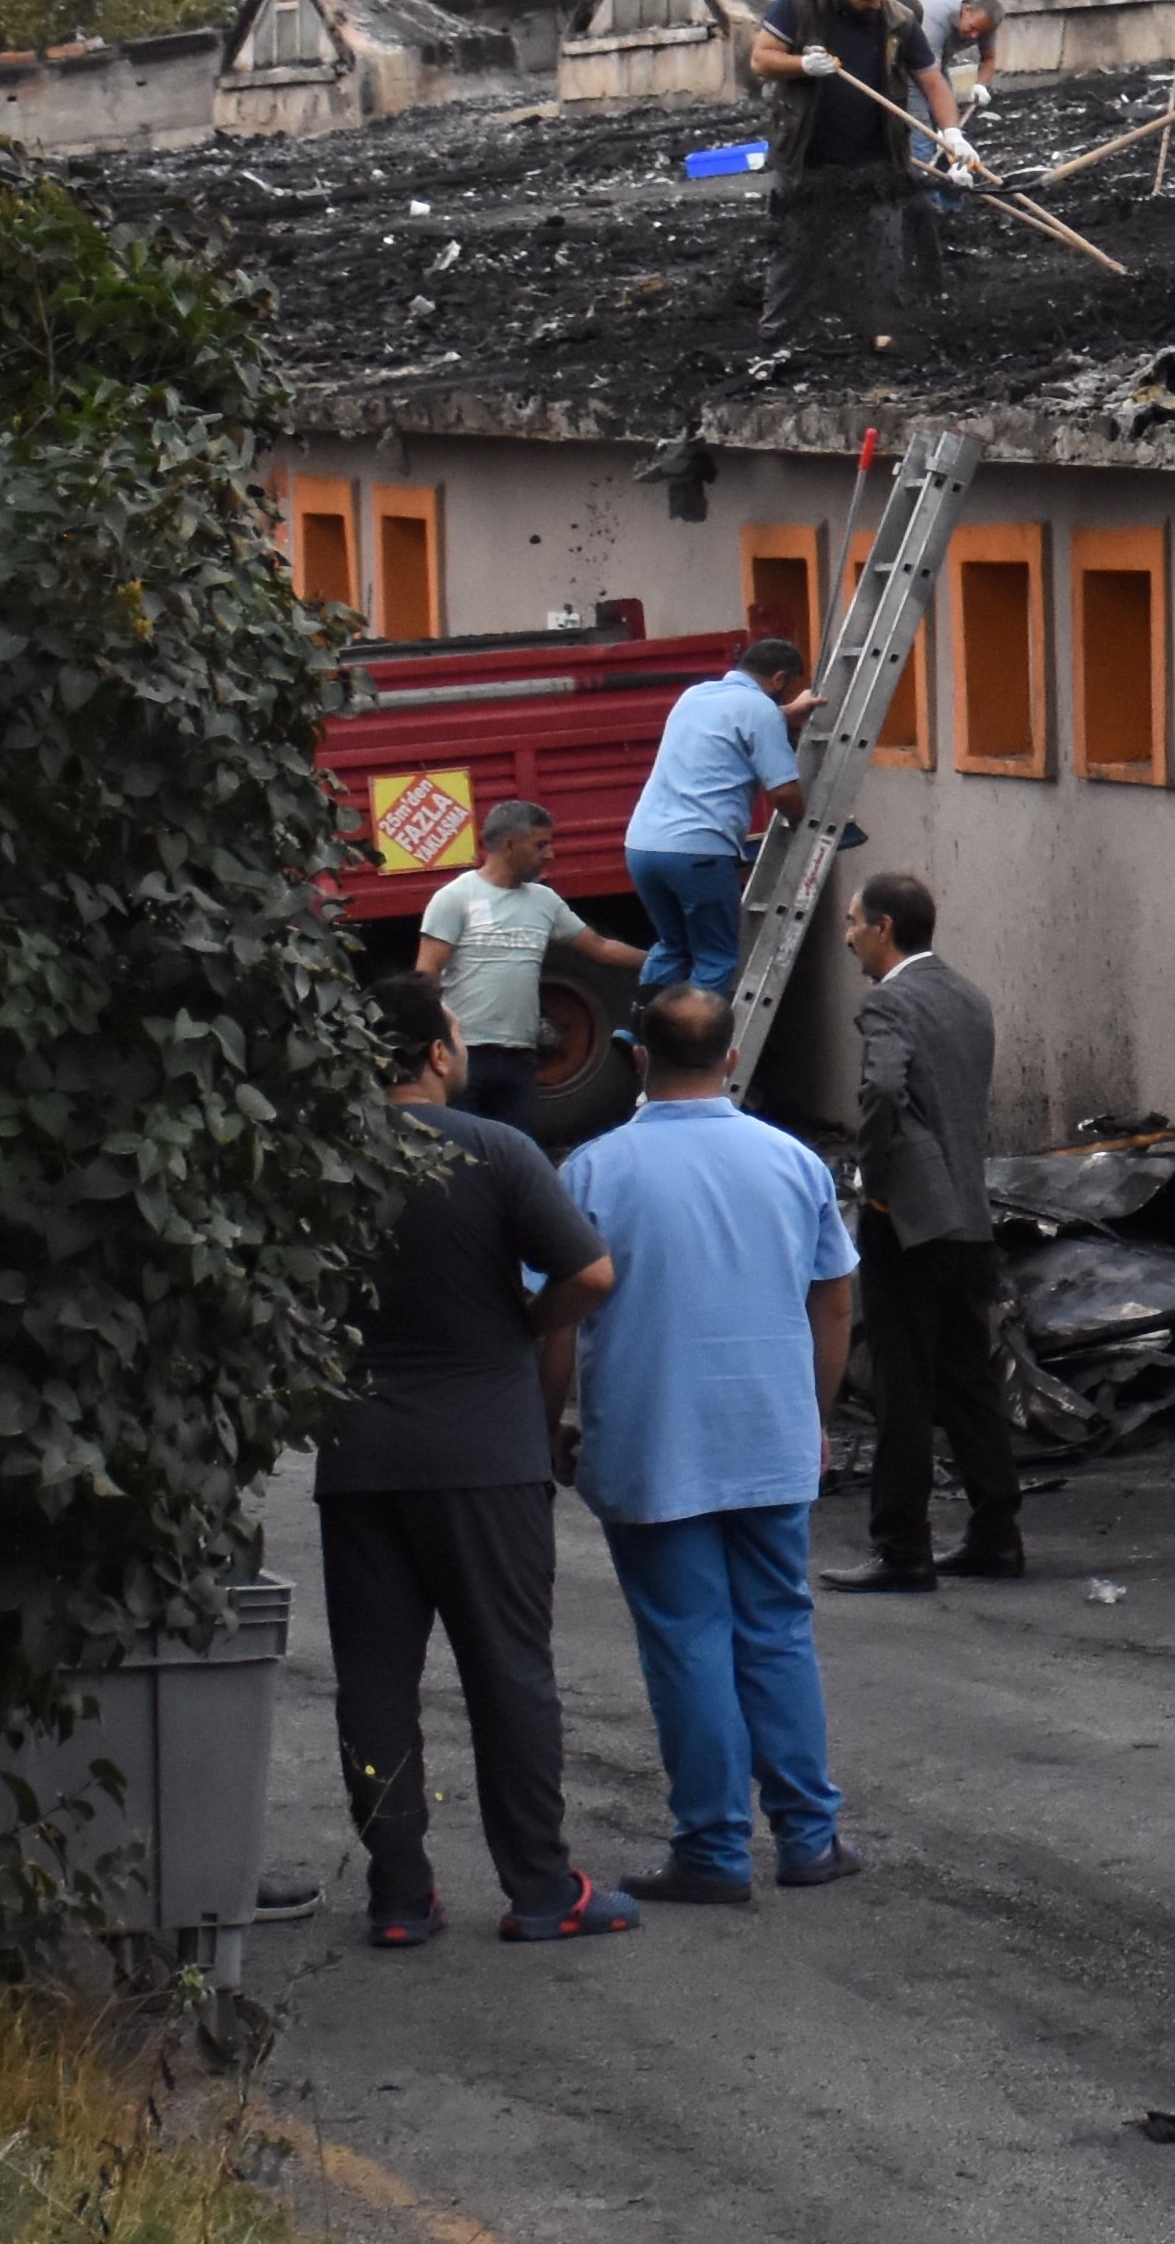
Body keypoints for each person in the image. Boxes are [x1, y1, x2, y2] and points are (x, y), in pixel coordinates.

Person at [327, 975, 634, 1946]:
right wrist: (522, 1328)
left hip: (360, 1450)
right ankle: (542, 1887)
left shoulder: (321, 1166)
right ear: (437, 1052)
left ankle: (398, 1895)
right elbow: (590, 1273)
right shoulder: (496, 1151)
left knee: (375, 1681)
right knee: (508, 1671)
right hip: (485, 1448)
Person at [552, 985, 860, 1906]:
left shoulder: (594, 1173)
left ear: (638, 1060)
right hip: (769, 1437)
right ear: (731, 1059)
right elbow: (834, 1299)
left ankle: (715, 1850)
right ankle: (810, 1837)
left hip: (652, 1444)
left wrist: (548, 1426)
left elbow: (556, 1320)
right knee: (776, 1630)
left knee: (687, 1641)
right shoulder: (793, 1162)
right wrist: (813, 1416)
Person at [836, 871, 1018, 1591]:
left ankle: (901, 1547)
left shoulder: (889, 1004)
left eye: (853, 923)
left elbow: (882, 1090)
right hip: (969, 1217)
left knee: (903, 1387)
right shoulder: (969, 998)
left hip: (907, 1224)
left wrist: (872, 1175)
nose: (848, 936)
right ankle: (996, 1534)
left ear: (883, 928)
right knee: (968, 1382)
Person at [746, 0, 967, 332]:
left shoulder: (898, 19)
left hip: (877, 156)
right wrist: (802, 65)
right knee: (797, 250)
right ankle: (778, 334)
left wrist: (952, 134)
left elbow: (932, 82)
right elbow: (761, 58)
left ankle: (883, 332)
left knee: (883, 250)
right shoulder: (799, 3)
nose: (875, 4)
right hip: (807, 155)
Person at [410, 797, 644, 1124]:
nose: (549, 854)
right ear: (509, 844)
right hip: (466, 1054)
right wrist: (440, 1046)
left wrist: (658, 960)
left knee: (516, 1151)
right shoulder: (455, 898)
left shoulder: (544, 901)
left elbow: (600, 947)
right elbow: (426, 974)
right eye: (540, 845)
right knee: (466, 1155)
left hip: (521, 1058)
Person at [621, 631, 811, 996]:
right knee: (716, 958)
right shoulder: (762, 711)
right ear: (779, 679)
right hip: (698, 851)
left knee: (672, 947)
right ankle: (696, 1047)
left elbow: (733, 722)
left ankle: (639, 1035)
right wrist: (804, 823)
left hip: (642, 847)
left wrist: (783, 712)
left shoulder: (695, 695)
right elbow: (785, 791)